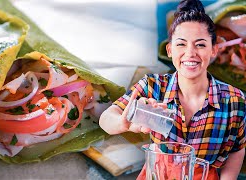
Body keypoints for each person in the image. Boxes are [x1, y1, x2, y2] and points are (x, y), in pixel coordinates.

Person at [99, 0, 246, 179]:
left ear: (214, 50)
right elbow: (106, 119)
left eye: (200, 44)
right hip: (157, 174)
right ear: (169, 50)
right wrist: (125, 122)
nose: (190, 53)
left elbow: (236, 150)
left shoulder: (235, 100)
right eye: (181, 44)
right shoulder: (152, 85)